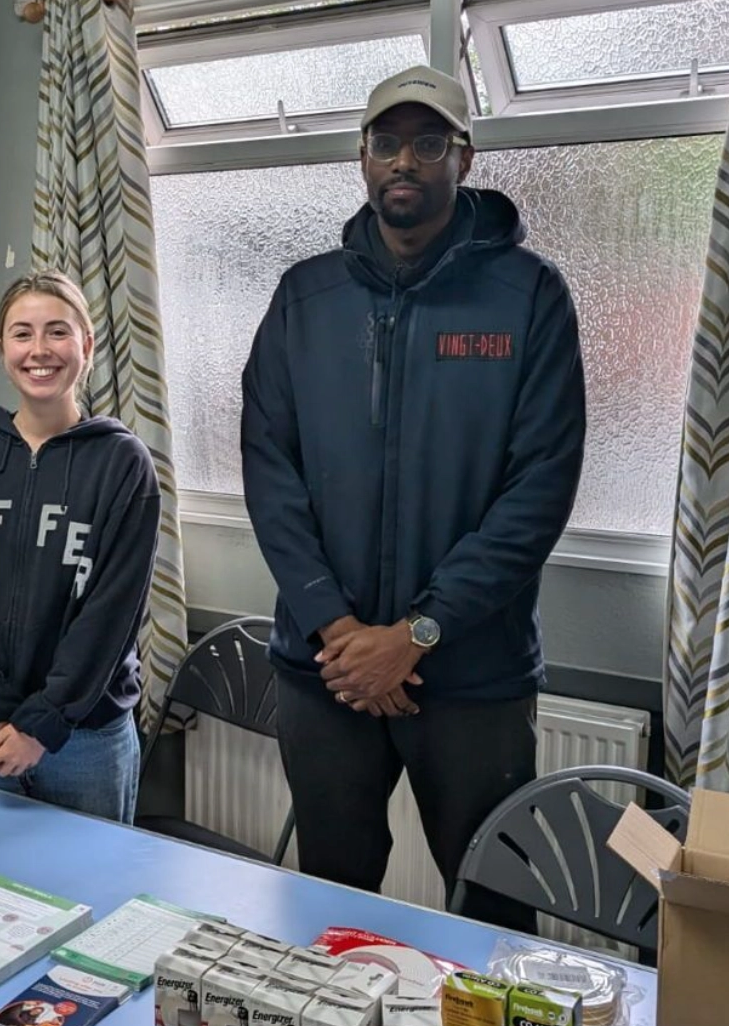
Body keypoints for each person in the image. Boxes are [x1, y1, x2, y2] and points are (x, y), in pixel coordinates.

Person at [240, 64, 586, 927]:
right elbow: (269, 470)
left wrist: (417, 633)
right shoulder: (303, 298)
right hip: (327, 675)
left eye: (427, 142)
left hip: (471, 677)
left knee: (494, 916)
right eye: (386, 142)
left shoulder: (529, 296)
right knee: (329, 910)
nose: (405, 160)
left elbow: (537, 492)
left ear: (463, 159)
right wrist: (340, 630)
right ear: (362, 157)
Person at [0, 270, 160, 823]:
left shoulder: (123, 464)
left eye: (57, 332)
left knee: (92, 900)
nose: (39, 350)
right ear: (2, 347)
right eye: (22, 333)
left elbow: (111, 614)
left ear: (87, 345)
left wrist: (43, 723)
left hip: (83, 741)